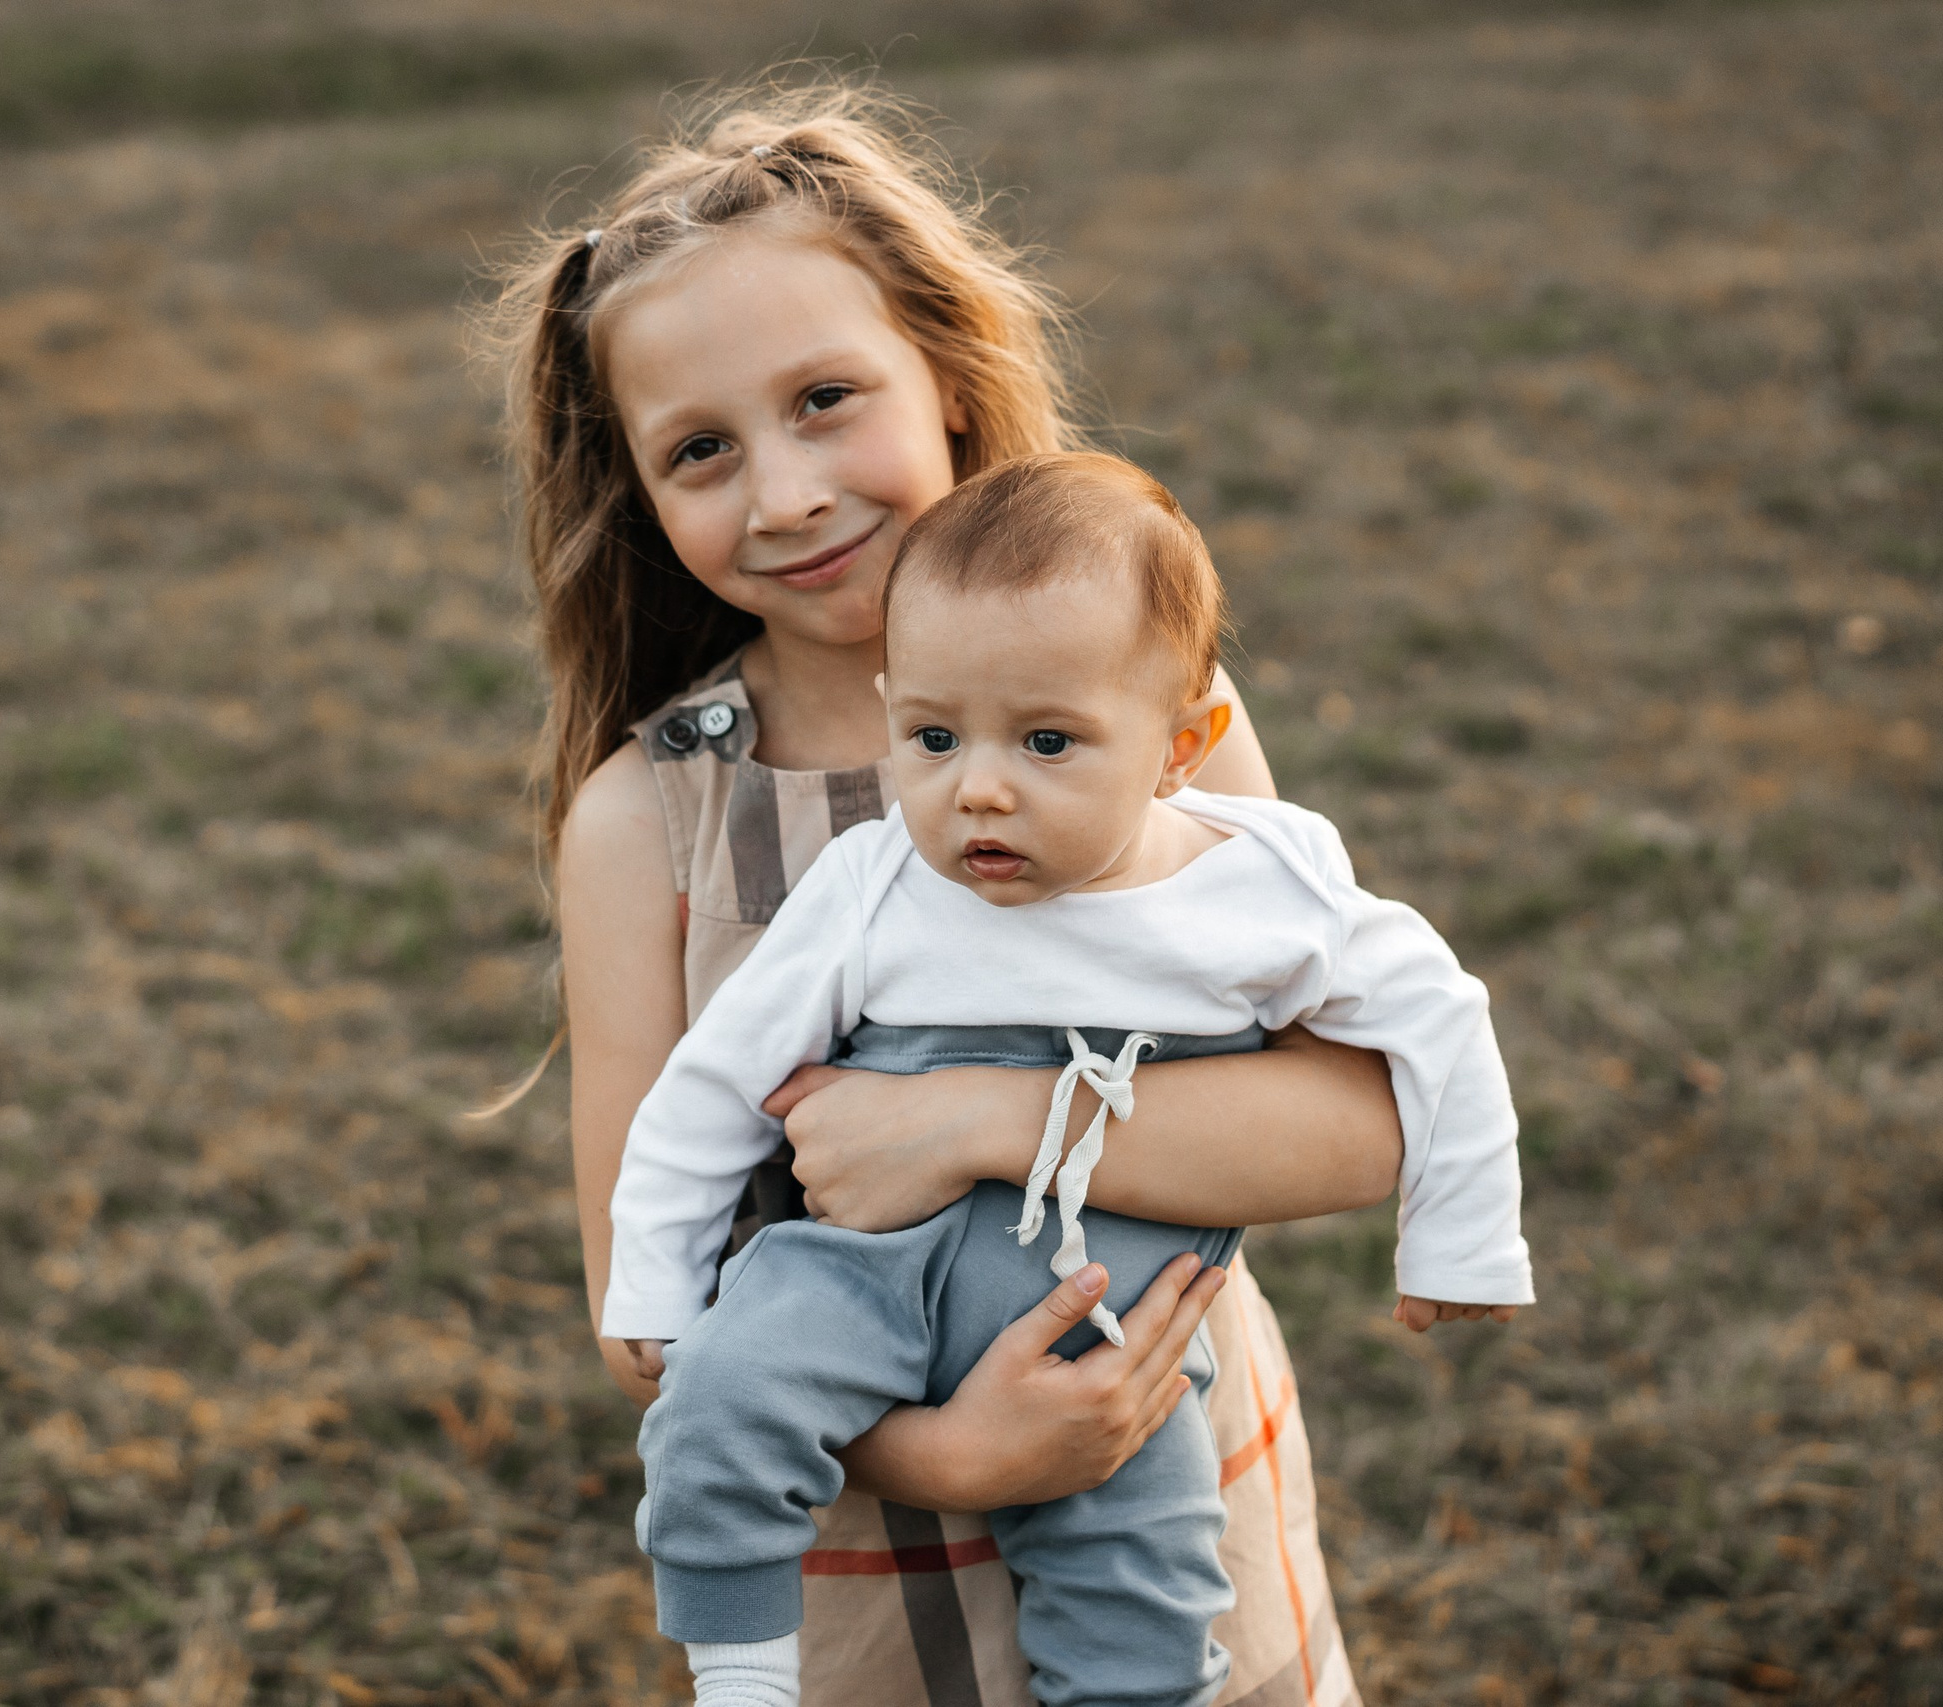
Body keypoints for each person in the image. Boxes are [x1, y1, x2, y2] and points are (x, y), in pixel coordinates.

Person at [487, 82, 1411, 1705]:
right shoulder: (652, 820)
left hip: (1171, 1492)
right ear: (639, 489)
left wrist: (983, 1120)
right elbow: (649, 1312)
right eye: (702, 449)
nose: (783, 493)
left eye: (828, 398)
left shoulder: (1137, 731)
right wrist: (948, 1453)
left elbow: (1355, 1124)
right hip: (864, 1570)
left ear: (953, 381)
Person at [607, 452, 1532, 1707]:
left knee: (1140, 1595)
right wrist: (656, 1280)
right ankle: (742, 1678)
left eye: (1046, 741)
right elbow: (713, 1084)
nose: (977, 786)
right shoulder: (878, 883)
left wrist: (1460, 1246)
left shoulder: (1256, 883)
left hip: (1117, 1327)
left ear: (1180, 747)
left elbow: (1436, 1022)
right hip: (870, 1272)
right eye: (931, 736)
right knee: (721, 1398)